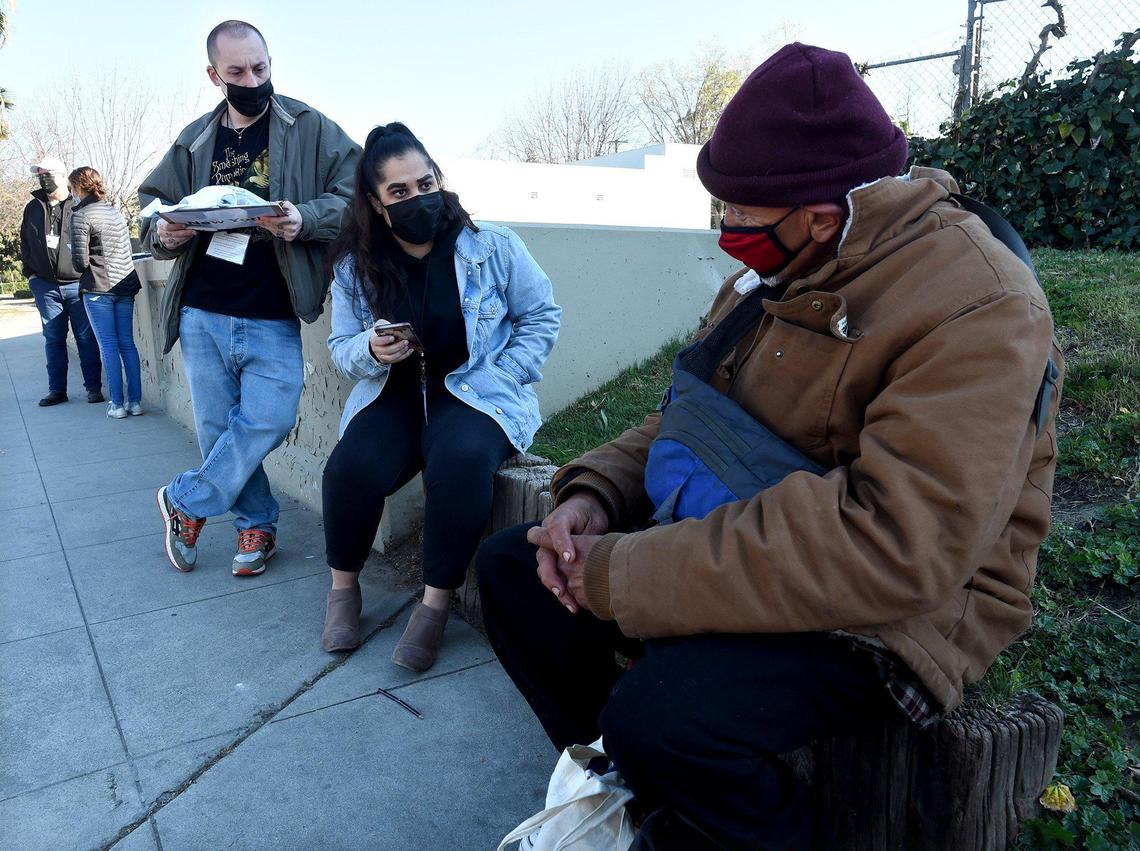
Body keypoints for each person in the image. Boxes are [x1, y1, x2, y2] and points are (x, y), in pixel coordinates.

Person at [476, 42, 1064, 850]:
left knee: (664, 718)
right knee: (514, 572)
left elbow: (893, 542)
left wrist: (624, 572)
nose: (726, 235)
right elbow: (690, 414)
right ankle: (646, 804)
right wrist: (594, 496)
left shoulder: (981, 306)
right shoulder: (780, 267)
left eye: (741, 219)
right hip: (760, 531)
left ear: (822, 216)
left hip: (898, 607)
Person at [321, 123, 560, 671]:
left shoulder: (492, 245)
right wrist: (372, 349)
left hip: (474, 391)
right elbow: (341, 348)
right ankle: (343, 589)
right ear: (378, 205)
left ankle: (434, 605)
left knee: (460, 461)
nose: (417, 199)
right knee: (351, 467)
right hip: (397, 392)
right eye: (399, 192)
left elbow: (541, 313)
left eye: (424, 183)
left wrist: (508, 372)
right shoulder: (357, 265)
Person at [138, 20, 359, 577]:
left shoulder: (308, 126)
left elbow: (358, 192)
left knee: (271, 417)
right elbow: (150, 209)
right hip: (203, 308)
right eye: (236, 72)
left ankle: (186, 500)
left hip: (273, 309)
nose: (252, 79)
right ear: (214, 75)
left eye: (260, 67)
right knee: (219, 430)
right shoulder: (193, 140)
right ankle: (256, 526)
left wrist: (304, 218)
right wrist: (164, 234)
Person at [20, 156, 103, 407]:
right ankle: (57, 390)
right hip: (45, 287)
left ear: (61, 175)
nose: (42, 179)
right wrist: (31, 275)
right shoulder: (32, 208)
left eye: (47, 174)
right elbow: (25, 243)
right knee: (53, 338)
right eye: (39, 175)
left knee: (86, 338)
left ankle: (93, 388)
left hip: (78, 285)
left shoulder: (79, 205)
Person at [69, 167, 144, 419]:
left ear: (78, 187)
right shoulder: (115, 212)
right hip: (125, 283)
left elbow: (80, 262)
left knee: (108, 345)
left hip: (99, 285)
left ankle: (117, 404)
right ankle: (135, 402)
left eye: (72, 188)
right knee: (127, 344)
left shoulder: (80, 215)